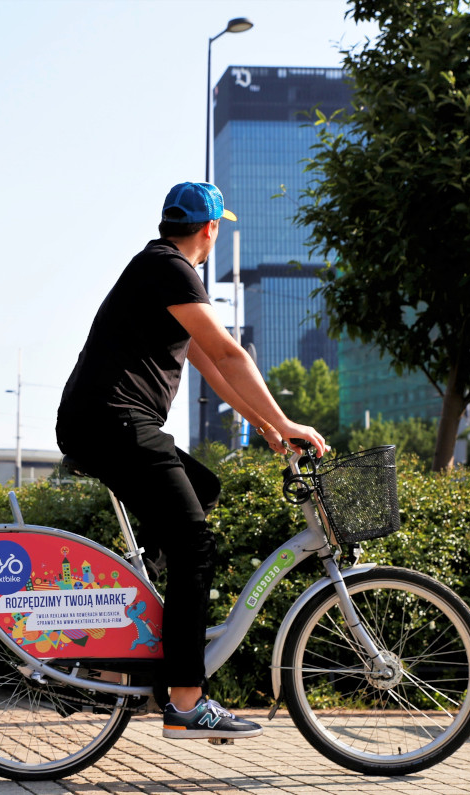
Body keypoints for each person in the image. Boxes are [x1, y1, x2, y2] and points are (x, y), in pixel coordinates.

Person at [55, 181, 327, 740]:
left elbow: (212, 366)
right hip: (112, 421)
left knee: (201, 491)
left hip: (108, 421)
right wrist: (292, 423)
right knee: (194, 543)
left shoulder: (161, 270)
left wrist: (268, 426)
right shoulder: (172, 270)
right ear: (211, 229)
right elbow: (230, 352)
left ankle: (115, 648)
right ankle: (185, 699)